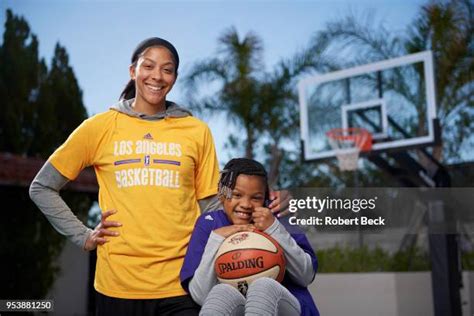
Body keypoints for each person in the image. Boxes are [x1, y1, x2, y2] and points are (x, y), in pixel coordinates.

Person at [29, 37, 289, 316]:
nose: (157, 76)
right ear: (133, 71)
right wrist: (84, 236)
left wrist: (260, 202)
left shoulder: (195, 130)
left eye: (167, 69)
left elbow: (213, 203)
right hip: (118, 285)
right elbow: (42, 187)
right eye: (148, 66)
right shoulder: (100, 127)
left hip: (182, 285)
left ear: (175, 78)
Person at [180, 158, 319, 316]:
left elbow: (306, 275)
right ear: (222, 194)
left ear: (265, 198)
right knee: (221, 292)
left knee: (262, 287)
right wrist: (216, 239)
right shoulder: (209, 224)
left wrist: (274, 228)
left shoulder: (278, 216)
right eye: (237, 195)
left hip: (286, 306)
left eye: (256, 198)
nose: (246, 204)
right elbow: (201, 296)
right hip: (237, 308)